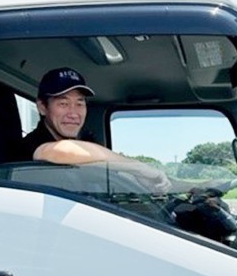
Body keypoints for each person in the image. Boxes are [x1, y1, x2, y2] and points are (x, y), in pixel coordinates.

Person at [20, 67, 173, 193]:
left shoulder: (84, 152)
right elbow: (59, 151)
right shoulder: (32, 145)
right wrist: (138, 168)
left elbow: (98, 166)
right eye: (63, 104)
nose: (73, 113)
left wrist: (142, 180)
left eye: (80, 104)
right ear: (42, 107)